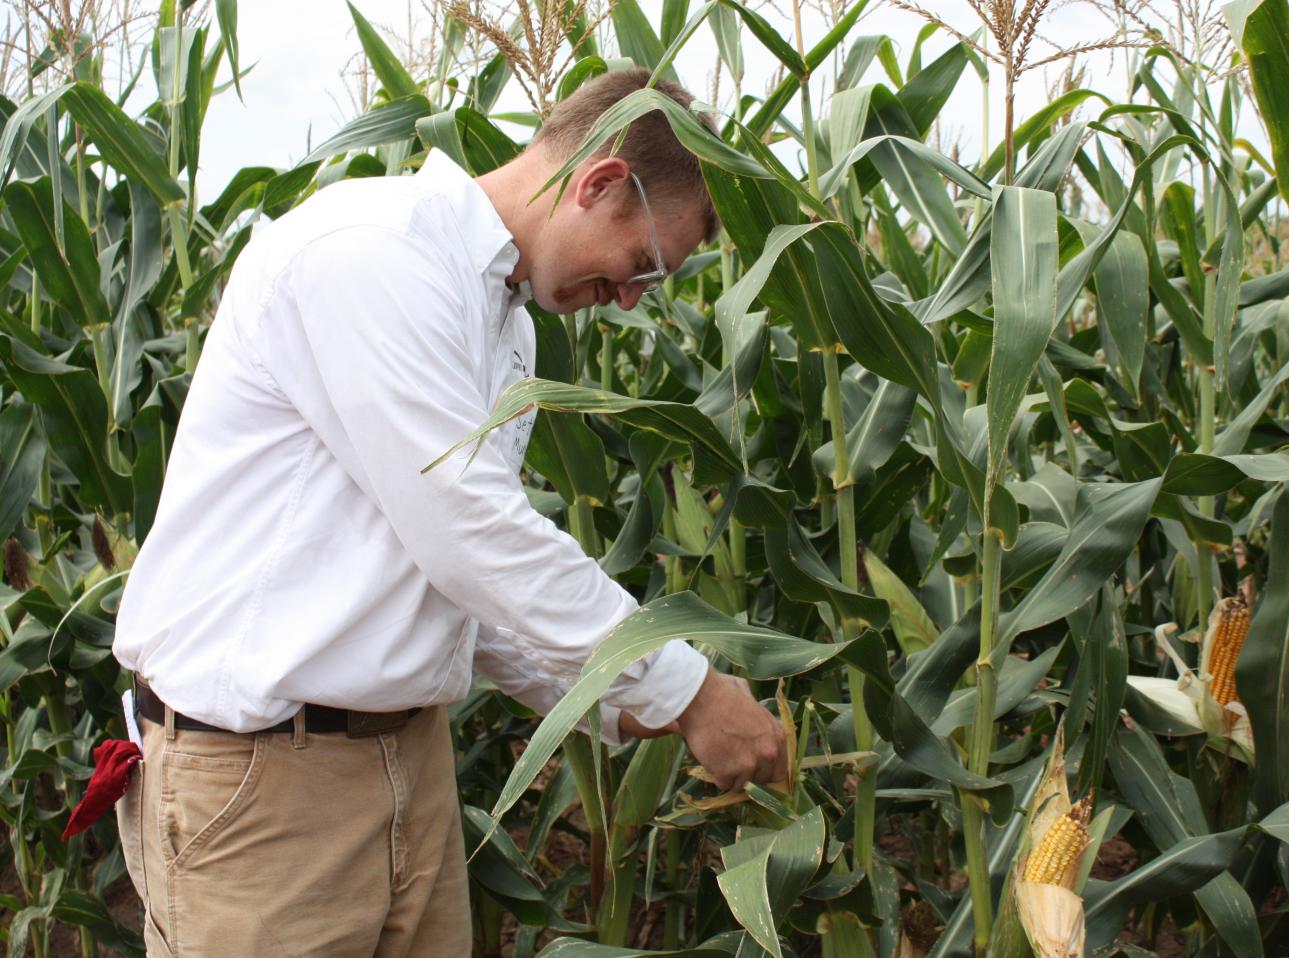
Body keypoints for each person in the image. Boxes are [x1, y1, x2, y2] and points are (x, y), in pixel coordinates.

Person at [109, 68, 787, 957]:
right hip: (261, 785)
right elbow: (470, 534)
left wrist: (625, 707)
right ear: (600, 184)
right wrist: (686, 690)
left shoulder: (506, 323)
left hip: (407, 768)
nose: (628, 300)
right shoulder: (370, 254)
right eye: (643, 267)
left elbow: (456, 590)